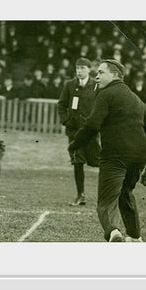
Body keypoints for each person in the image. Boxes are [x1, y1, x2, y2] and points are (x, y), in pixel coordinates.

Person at [69, 59, 146, 242]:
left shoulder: (105, 94)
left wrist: (74, 144)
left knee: (106, 201)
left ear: (115, 75)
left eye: (101, 72)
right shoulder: (136, 99)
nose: (96, 76)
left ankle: (114, 233)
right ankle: (134, 237)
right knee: (125, 194)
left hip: (115, 156)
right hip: (139, 156)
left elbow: (92, 125)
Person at [57, 58, 100, 206]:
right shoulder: (69, 85)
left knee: (97, 161)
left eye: (82, 68)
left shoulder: (96, 86)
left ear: (89, 69)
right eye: (77, 68)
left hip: (91, 132)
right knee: (77, 161)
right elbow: (61, 105)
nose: (79, 71)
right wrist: (66, 121)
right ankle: (80, 195)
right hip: (74, 132)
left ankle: (109, 193)